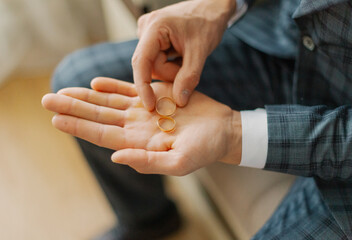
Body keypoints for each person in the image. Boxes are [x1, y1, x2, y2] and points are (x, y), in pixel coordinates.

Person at [42, 0, 352, 239]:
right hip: (283, 42)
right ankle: (149, 221)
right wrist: (219, 5)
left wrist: (234, 133)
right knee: (77, 81)